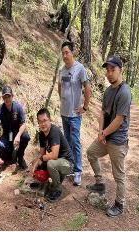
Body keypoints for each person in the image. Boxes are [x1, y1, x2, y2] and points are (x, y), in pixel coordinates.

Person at [86, 55, 133, 217]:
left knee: (118, 175)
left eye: (113, 69)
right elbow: (103, 113)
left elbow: (119, 120)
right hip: (105, 137)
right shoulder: (108, 91)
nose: (109, 73)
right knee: (91, 153)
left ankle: (119, 204)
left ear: (120, 70)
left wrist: (105, 133)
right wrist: (100, 132)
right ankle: (100, 183)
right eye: (107, 70)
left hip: (118, 140)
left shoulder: (125, 92)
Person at [57, 41, 91, 186]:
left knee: (75, 141)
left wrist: (85, 106)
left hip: (75, 114)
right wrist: (63, 100)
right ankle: (70, 168)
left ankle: (78, 171)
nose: (65, 55)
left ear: (72, 53)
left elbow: (87, 87)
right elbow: (59, 86)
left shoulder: (80, 69)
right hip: (64, 113)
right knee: (68, 141)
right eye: (63, 53)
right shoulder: (61, 70)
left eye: (67, 52)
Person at [32, 108, 74, 202]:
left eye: (45, 120)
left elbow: (54, 155)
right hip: (58, 162)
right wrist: (36, 165)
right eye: (40, 122)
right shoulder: (41, 134)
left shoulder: (54, 131)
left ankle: (58, 189)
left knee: (50, 163)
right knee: (39, 164)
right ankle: (52, 181)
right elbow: (42, 154)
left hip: (67, 163)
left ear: (50, 120)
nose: (42, 124)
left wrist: (41, 159)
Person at [0, 85, 29, 169]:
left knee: (25, 137)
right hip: (7, 135)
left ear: (12, 96)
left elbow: (23, 124)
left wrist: (18, 136)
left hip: (17, 133)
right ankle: (9, 156)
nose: (7, 99)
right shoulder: (0, 109)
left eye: (8, 96)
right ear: (2, 98)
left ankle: (20, 157)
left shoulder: (18, 107)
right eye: (4, 97)